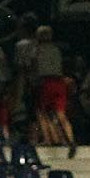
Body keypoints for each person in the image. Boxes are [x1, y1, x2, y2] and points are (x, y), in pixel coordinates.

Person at [30, 26, 73, 154]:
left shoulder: (36, 50)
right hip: (59, 82)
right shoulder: (56, 49)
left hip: (45, 83)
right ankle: (70, 140)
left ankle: (49, 140)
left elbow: (33, 67)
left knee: (42, 113)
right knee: (61, 114)